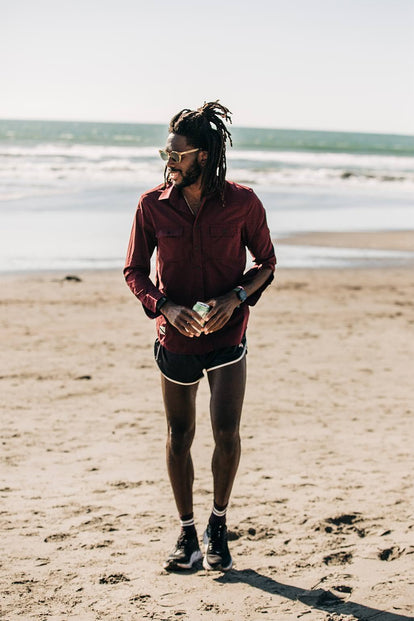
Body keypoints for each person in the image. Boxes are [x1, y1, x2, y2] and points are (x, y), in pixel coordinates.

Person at [124, 101, 276, 572]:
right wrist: (164, 306)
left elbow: (266, 264)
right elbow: (134, 271)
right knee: (179, 437)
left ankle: (218, 525)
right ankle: (187, 531)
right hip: (175, 341)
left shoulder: (243, 202)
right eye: (165, 153)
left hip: (228, 338)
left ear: (204, 156)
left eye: (177, 154)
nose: (168, 161)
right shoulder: (152, 204)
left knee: (226, 433)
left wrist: (235, 298)